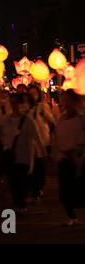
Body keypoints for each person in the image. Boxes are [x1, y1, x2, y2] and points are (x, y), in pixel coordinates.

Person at [1, 93, 45, 213]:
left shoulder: (27, 120)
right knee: (13, 181)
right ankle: (18, 202)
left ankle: (21, 203)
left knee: (21, 180)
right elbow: (3, 136)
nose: (13, 105)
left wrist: (42, 153)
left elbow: (36, 137)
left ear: (21, 104)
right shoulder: (6, 119)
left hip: (24, 155)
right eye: (11, 102)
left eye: (16, 102)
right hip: (10, 155)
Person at [52, 90, 85, 226]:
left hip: (76, 160)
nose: (64, 102)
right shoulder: (62, 117)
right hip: (63, 159)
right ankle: (71, 216)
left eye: (67, 99)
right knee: (64, 191)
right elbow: (57, 137)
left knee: (77, 190)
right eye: (63, 99)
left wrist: (76, 152)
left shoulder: (81, 119)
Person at [28, 85, 55, 199]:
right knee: (31, 166)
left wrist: (45, 114)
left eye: (35, 93)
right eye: (30, 93)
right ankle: (33, 188)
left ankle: (39, 188)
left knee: (40, 166)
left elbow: (51, 121)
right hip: (30, 142)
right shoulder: (27, 108)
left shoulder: (43, 106)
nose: (33, 95)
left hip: (42, 140)